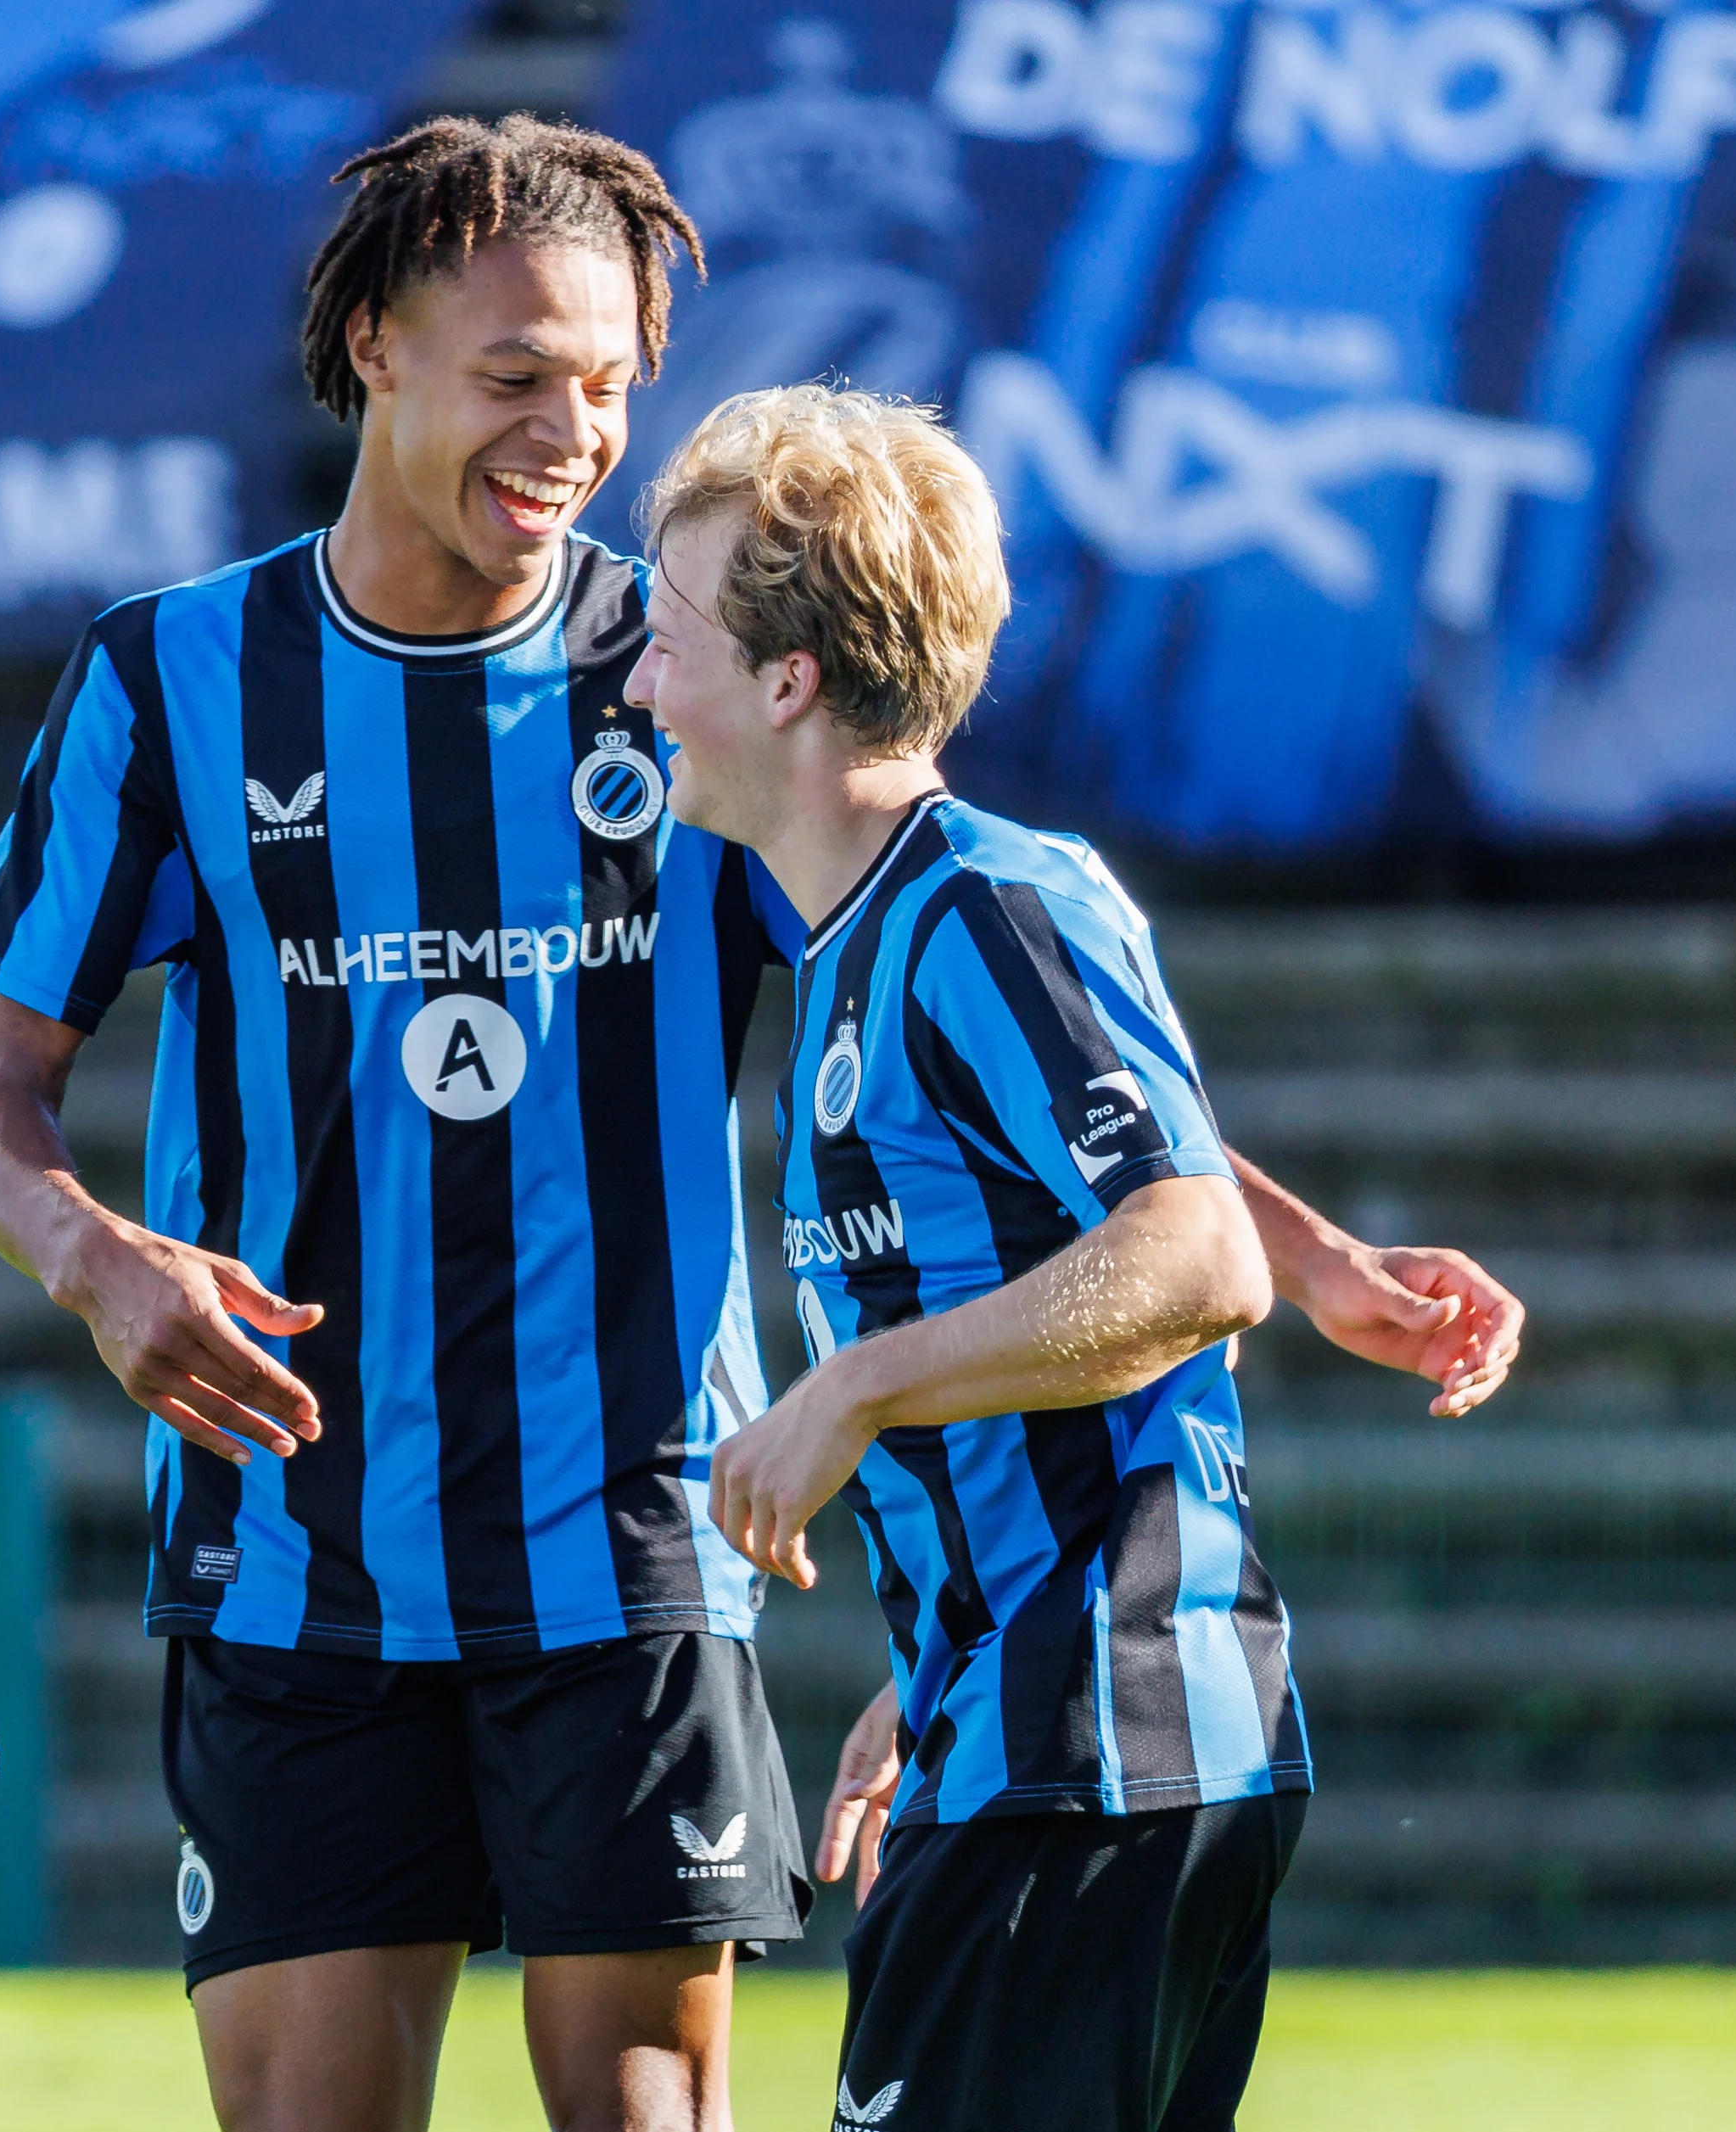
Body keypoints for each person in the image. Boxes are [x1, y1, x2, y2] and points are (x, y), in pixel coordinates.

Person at [0, 116, 1521, 2132]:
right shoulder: (166, 681)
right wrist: (88, 1253)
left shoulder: (687, 669)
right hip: (292, 1560)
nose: (571, 431)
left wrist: (1306, 1258)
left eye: (606, 385)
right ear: (369, 350)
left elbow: (1020, 1020)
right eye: (517, 378)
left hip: (633, 1544)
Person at [630, 383, 1324, 2130]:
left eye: (667, 635)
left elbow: (1193, 1250)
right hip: (1021, 1727)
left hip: (1095, 1751)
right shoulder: (859, 946)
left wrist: (848, 1386)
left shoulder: (983, 904)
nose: (636, 685)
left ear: (787, 677)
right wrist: (931, 1658)